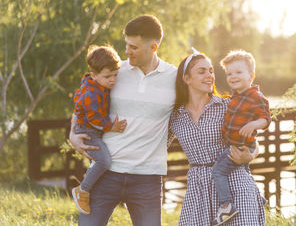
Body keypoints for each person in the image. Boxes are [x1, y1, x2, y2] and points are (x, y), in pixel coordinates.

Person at [69, 14, 177, 226]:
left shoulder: (174, 78)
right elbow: (84, 98)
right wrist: (72, 133)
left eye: (133, 47)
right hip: (106, 172)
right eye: (126, 45)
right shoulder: (114, 71)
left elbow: (196, 107)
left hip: (148, 178)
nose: (127, 51)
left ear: (153, 47)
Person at [169, 48, 267, 226]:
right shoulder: (176, 116)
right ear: (186, 79)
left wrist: (250, 155)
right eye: (202, 71)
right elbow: (156, 144)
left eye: (211, 71)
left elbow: (253, 138)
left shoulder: (228, 105)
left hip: (234, 183)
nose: (209, 75)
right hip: (198, 190)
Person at [211, 50, 271, 225]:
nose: (233, 77)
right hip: (236, 144)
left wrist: (253, 125)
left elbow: (265, 119)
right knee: (242, 170)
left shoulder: (256, 97)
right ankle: (257, 198)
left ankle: (226, 206)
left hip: (239, 146)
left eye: (238, 72)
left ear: (251, 76)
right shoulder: (235, 98)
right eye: (229, 74)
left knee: (218, 171)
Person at [71, 45, 127, 215]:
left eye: (116, 75)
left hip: (94, 130)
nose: (113, 80)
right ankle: (82, 190)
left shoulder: (100, 85)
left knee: (98, 163)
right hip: (88, 131)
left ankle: (94, 196)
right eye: (107, 76)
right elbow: (94, 118)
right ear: (94, 75)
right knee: (104, 162)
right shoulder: (90, 93)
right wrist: (112, 127)